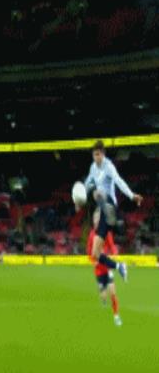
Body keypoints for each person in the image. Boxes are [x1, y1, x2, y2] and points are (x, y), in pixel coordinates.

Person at [84, 140, 143, 281]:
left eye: (98, 154)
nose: (96, 157)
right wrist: (81, 194)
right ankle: (119, 266)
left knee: (99, 194)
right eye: (94, 155)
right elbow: (87, 183)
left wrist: (132, 195)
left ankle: (114, 219)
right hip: (102, 210)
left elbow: (119, 181)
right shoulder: (93, 167)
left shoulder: (109, 166)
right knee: (95, 254)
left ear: (103, 154)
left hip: (109, 206)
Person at [87, 209, 123, 326]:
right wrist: (93, 261)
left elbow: (112, 246)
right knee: (103, 294)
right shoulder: (91, 235)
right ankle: (103, 298)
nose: (97, 221)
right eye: (95, 219)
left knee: (113, 292)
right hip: (98, 270)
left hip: (107, 268)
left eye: (99, 219)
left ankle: (116, 316)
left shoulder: (106, 233)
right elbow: (89, 252)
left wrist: (114, 254)